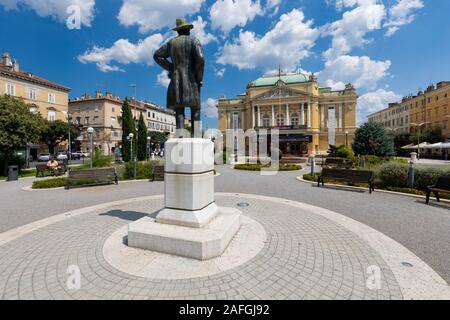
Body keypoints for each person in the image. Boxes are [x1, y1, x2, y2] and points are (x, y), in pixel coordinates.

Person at [154, 18, 205, 137]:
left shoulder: (171, 43)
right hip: (192, 79)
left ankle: (181, 136)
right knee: (195, 108)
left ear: (178, 31)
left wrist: (171, 67)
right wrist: (199, 77)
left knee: (179, 109)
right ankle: (196, 135)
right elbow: (200, 59)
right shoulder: (194, 41)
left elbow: (157, 55)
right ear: (187, 29)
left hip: (176, 79)